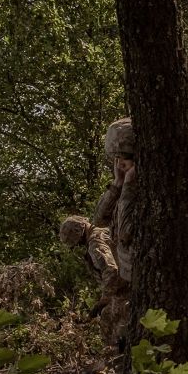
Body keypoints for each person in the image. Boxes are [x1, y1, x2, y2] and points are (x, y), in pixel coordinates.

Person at [59, 215, 129, 346]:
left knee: (107, 317)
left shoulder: (95, 243)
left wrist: (103, 301)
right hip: (128, 280)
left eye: (76, 242)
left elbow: (111, 271)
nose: (77, 246)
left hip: (127, 286)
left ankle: (117, 354)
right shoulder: (103, 230)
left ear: (78, 233)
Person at [93, 117, 136, 284]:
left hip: (138, 270)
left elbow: (126, 231)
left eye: (125, 157)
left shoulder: (140, 192)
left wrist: (129, 183)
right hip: (127, 272)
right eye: (117, 158)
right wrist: (117, 184)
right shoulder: (122, 188)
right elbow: (99, 219)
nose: (120, 164)